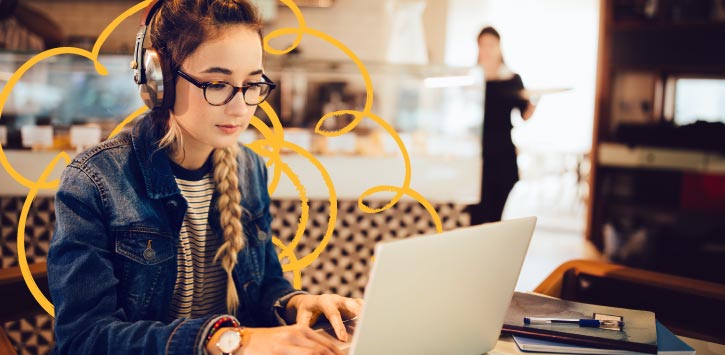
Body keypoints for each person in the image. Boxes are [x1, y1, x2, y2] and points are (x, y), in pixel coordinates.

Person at [47, 1, 360, 354]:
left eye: (253, 84)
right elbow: (83, 340)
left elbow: (263, 284)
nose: (241, 107)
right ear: (159, 80)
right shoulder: (95, 181)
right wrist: (227, 341)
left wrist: (296, 303)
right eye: (216, 83)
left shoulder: (248, 169)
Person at [467, 26, 537, 225]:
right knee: (476, 212)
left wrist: (534, 101)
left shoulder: (512, 79)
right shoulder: (472, 78)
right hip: (476, 154)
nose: (487, 50)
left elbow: (525, 114)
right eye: (482, 45)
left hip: (502, 153)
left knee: (496, 212)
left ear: (499, 47)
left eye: (491, 45)